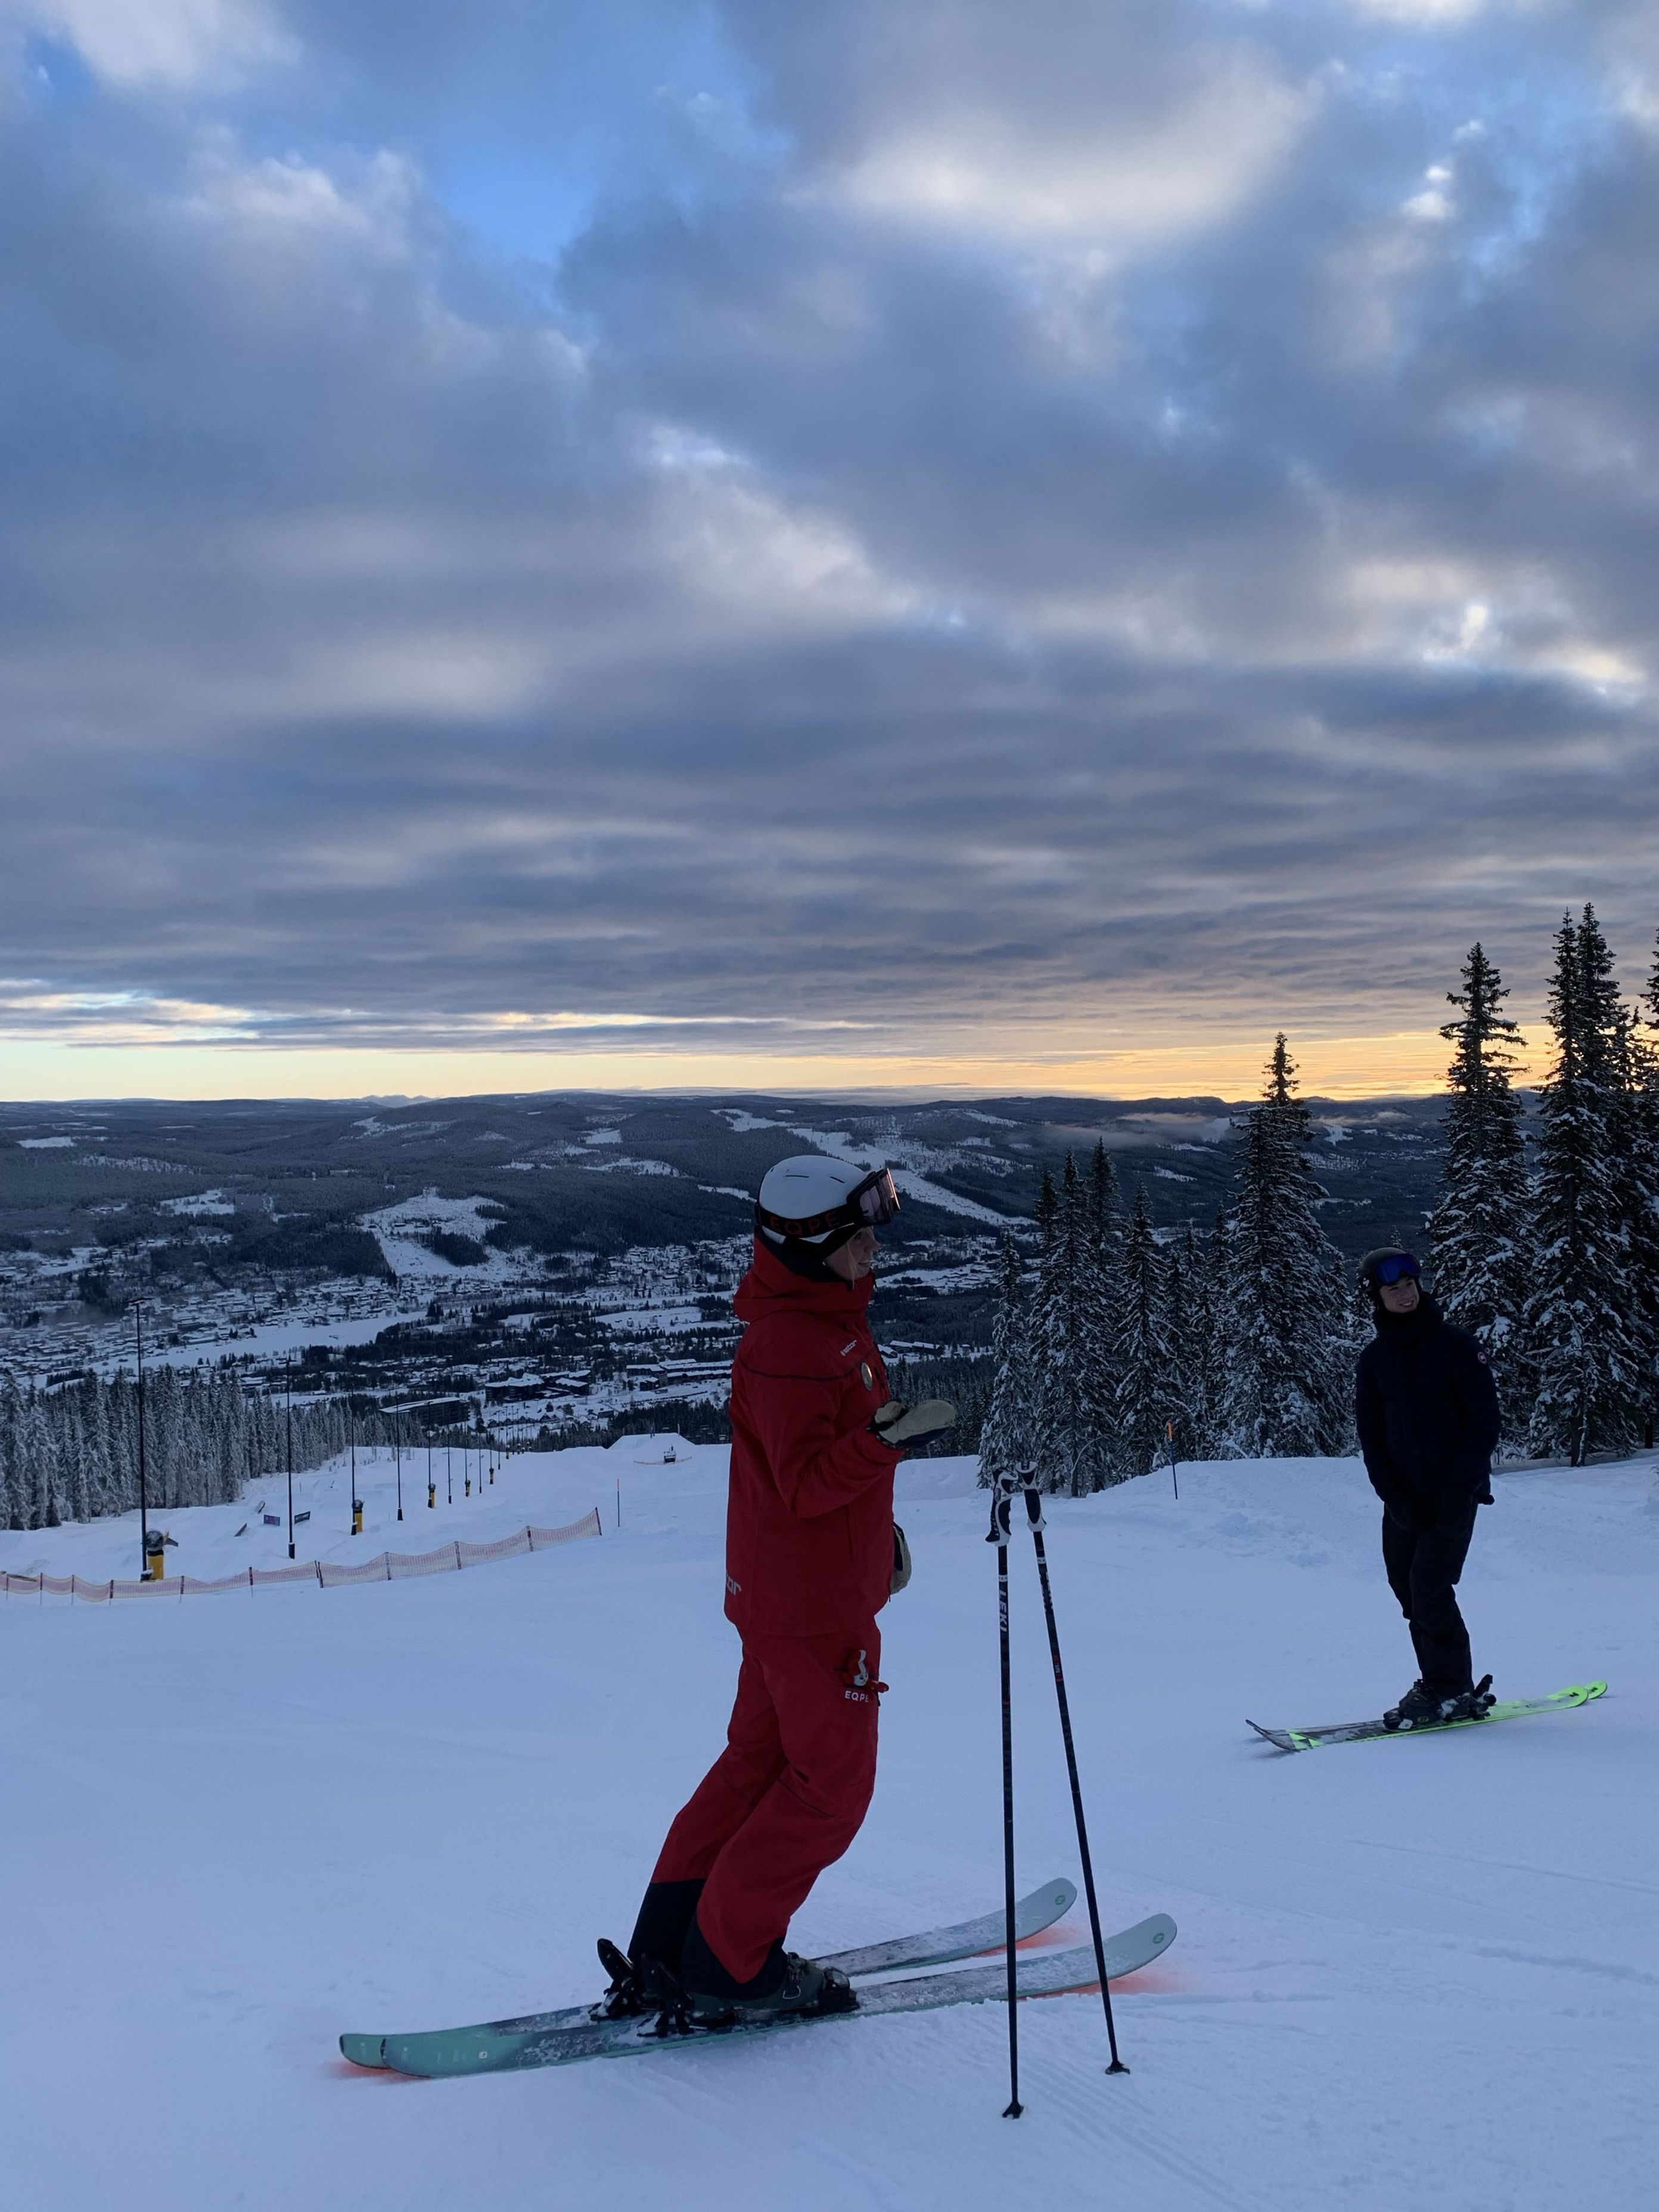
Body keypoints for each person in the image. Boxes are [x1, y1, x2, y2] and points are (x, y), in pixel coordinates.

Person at [603, 1156, 956, 2025]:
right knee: (831, 1791)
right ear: (808, 1247)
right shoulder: (797, 1346)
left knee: (755, 1766)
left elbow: (798, 1486)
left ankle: (671, 1941)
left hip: (791, 1597)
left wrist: (878, 1544)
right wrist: (882, 1447)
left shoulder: (817, 1318)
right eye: (859, 1233)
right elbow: (803, 1483)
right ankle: (729, 1959)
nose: (875, 1245)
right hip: (811, 1618)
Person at [1354, 1247, 1501, 1729]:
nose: (1404, 1293)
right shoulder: (1374, 1361)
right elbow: (1371, 1435)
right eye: (1392, 1288)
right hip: (1403, 1498)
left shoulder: (1457, 1347)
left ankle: (1449, 1689)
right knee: (1408, 1589)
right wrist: (1392, 1495)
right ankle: (1439, 1681)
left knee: (1431, 1585)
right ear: (1376, 1296)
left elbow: (1484, 1422)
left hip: (1452, 1494)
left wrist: (1462, 1489)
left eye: (1410, 1284)